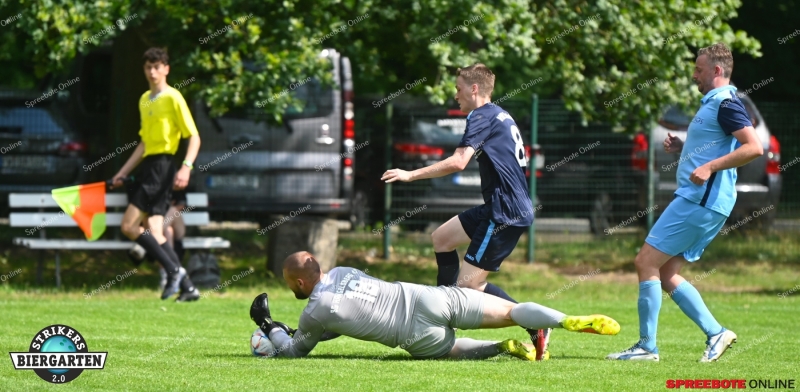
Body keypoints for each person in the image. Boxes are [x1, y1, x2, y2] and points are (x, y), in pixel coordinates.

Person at [606, 43, 763, 362]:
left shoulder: (725, 102)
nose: (694, 75)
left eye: (699, 69)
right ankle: (716, 333)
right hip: (702, 201)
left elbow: (754, 147)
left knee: (645, 262)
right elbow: (715, 143)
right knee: (665, 273)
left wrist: (709, 167)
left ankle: (647, 347)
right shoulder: (713, 103)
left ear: (716, 71)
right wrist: (684, 146)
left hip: (700, 200)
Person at [380, 63, 549, 358]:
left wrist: (410, 174)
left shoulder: (480, 115)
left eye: (458, 89)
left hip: (504, 213)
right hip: (499, 206)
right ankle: (441, 317)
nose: (455, 95)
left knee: (468, 286)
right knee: (442, 238)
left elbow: (459, 162)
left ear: (474, 89)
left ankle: (534, 325)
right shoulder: (500, 113)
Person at [249, 251, 620, 360]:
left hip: (413, 334)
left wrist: (268, 325)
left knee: (452, 348)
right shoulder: (344, 269)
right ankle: (565, 319)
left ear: (299, 282)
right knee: (509, 311)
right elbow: (340, 318)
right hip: (426, 296)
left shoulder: (315, 310)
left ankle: (504, 348)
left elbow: (294, 352)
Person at [111, 47, 202, 302]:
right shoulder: (144, 99)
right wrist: (122, 173)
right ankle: (188, 286)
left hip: (163, 167)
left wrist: (186, 167)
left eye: (157, 66)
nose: (152, 72)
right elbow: (143, 144)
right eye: (148, 67)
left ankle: (173, 271)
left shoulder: (173, 97)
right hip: (150, 166)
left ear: (166, 69)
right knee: (155, 229)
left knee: (129, 226)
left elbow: (193, 136)